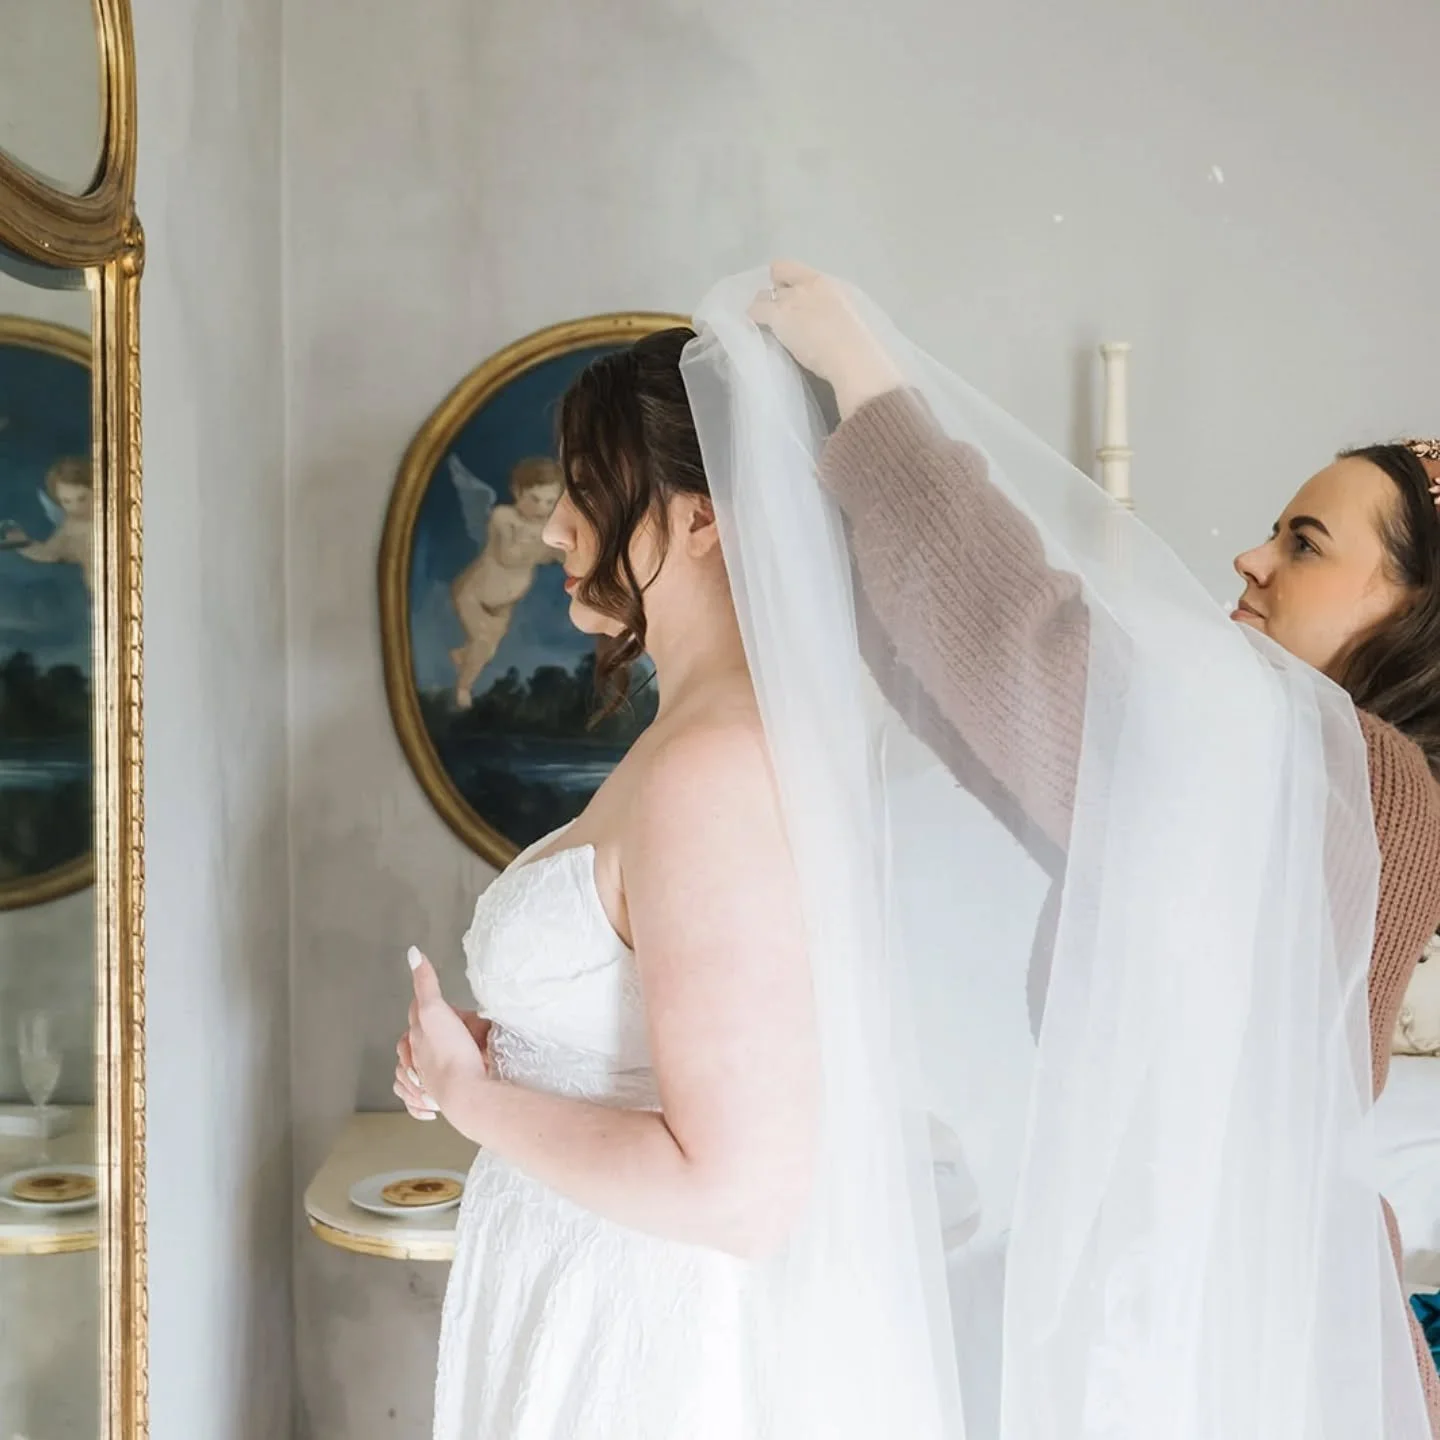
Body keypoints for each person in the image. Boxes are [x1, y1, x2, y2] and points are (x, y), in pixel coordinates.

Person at [752, 260, 1440, 1432]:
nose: (1251, 560)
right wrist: (810, 515)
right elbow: (991, 718)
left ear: (1410, 610)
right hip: (1215, 1305)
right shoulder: (1284, 784)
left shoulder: (1359, 778)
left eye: (1305, 544)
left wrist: (865, 378)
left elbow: (1034, 651)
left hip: (1220, 1331)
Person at [396, 328, 819, 1439]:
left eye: (587, 489)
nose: (554, 527)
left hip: (640, 1347)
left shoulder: (712, 769)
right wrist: (515, 1051)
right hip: (578, 1301)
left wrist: (474, 1097)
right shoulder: (690, 743)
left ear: (702, 514)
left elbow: (735, 1192)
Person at [447, 454, 565, 708]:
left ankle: (462, 656)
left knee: (487, 651)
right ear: (517, 491)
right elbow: (508, 556)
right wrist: (547, 550)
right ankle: (463, 690)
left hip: (503, 606)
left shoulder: (550, 527)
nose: (541, 508)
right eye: (534, 499)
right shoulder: (504, 517)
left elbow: (561, 556)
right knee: (482, 644)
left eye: (549, 502)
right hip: (473, 595)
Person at [1, 455, 94, 593]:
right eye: (66, 501)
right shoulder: (70, 526)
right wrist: (22, 542)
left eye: (82, 498)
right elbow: (50, 553)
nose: (75, 508)